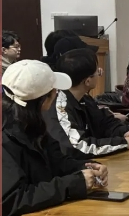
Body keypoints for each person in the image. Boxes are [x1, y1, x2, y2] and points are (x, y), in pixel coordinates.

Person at [2, 60, 109, 215]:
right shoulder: (6, 137)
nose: (57, 93)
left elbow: (57, 162)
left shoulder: (32, 124)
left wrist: (86, 167)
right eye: (55, 90)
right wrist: (72, 184)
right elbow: (11, 200)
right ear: (43, 101)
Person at [43, 48, 129, 158]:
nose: (100, 73)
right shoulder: (59, 107)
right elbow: (77, 146)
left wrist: (127, 132)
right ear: (87, 81)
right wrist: (124, 143)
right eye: (97, 71)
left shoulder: (84, 98)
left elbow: (105, 123)